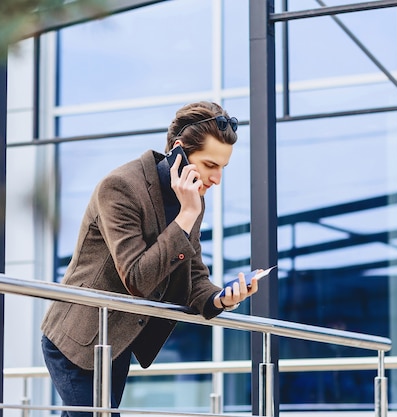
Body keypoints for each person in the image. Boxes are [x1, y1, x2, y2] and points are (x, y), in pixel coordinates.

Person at [41, 101, 260, 417]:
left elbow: (193, 274)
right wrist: (186, 216)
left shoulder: (190, 202)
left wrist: (222, 298)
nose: (217, 179)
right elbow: (138, 279)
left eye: (223, 168)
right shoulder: (120, 189)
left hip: (116, 341)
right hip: (79, 340)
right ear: (179, 151)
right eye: (211, 165)